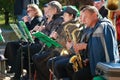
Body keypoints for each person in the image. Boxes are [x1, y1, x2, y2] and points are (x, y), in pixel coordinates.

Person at [72, 5, 120, 80]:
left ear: (94, 15)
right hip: (98, 66)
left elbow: (105, 52)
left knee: (78, 76)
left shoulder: (102, 26)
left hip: (106, 68)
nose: (83, 20)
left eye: (85, 17)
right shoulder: (95, 27)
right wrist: (89, 58)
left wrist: (85, 46)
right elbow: (98, 49)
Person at [4, 4, 43, 79]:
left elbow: (30, 33)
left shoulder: (38, 19)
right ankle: (11, 66)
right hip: (29, 41)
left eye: (29, 11)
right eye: (27, 11)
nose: (27, 12)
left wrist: (26, 22)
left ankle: (15, 68)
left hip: (34, 42)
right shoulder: (33, 18)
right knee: (10, 45)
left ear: (35, 11)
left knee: (14, 46)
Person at [46, 6, 82, 80]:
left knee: (54, 63)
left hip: (66, 51)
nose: (63, 17)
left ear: (71, 16)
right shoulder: (64, 24)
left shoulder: (72, 26)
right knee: (50, 62)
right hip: (60, 49)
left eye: (65, 15)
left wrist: (56, 37)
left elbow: (65, 42)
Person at [32, 1, 64, 80]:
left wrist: (42, 30)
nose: (46, 11)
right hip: (47, 46)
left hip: (56, 49)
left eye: (49, 9)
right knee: (35, 57)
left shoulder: (59, 20)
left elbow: (50, 37)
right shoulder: (50, 19)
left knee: (38, 58)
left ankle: (46, 77)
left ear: (55, 10)